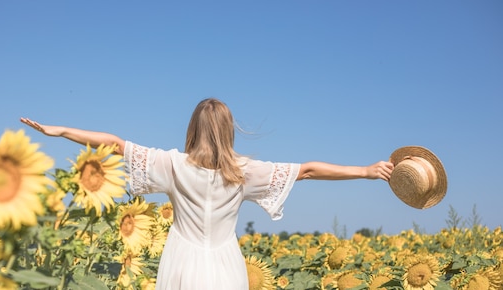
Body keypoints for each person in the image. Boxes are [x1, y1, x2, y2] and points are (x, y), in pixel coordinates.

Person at [20, 98, 394, 290]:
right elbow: (309, 170)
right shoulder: (244, 172)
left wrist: (60, 130)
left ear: (193, 128)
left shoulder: (172, 164)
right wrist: (365, 171)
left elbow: (115, 144)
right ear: (229, 130)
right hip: (226, 263)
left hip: (182, 260)